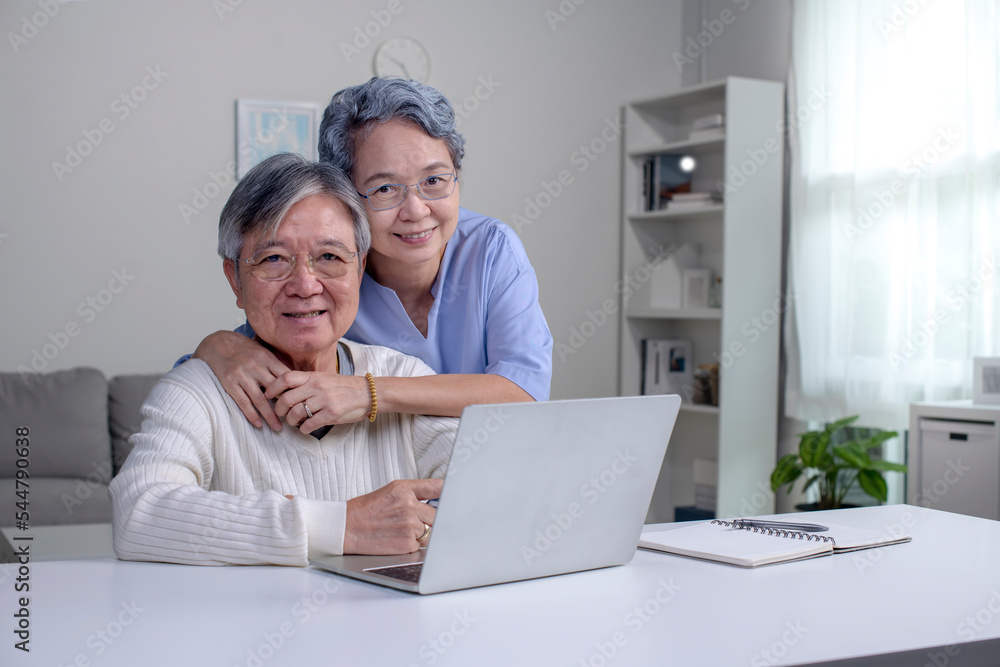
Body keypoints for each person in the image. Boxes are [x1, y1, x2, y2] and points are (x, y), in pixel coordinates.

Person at [111, 154, 457, 566]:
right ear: (235, 279)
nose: (305, 285)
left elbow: (492, 489)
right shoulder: (196, 392)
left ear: (359, 268)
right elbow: (138, 513)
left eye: (329, 257)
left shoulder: (403, 377)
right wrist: (344, 525)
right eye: (274, 259)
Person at [189, 77, 553, 432]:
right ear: (344, 194)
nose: (416, 211)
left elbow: (523, 392)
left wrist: (368, 393)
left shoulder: (491, 248)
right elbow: (235, 363)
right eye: (384, 188)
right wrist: (217, 346)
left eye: (434, 181)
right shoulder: (327, 277)